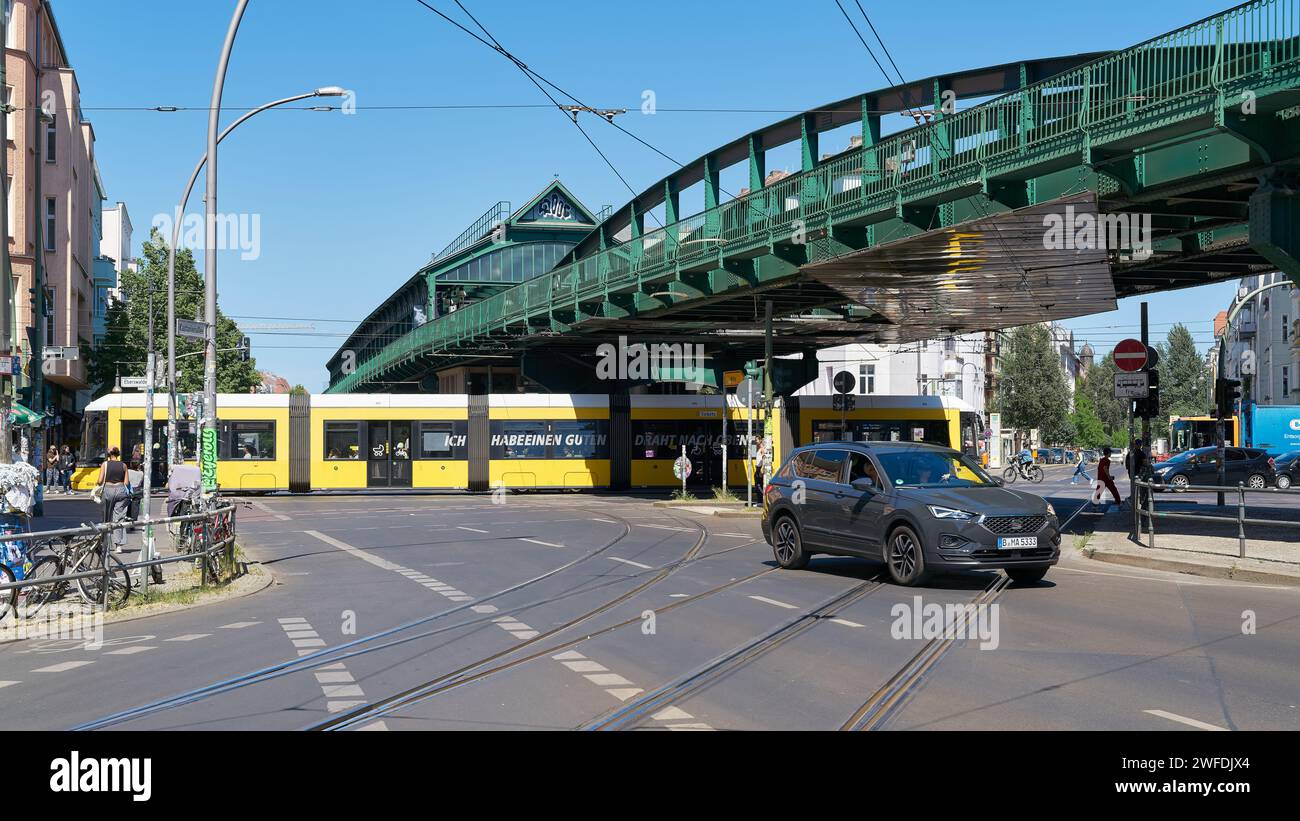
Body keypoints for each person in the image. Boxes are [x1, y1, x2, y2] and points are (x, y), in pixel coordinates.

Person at [96, 447, 131, 554]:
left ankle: (104, 544)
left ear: (109, 454)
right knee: (119, 518)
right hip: (121, 490)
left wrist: (97, 485)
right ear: (118, 454)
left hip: (108, 490)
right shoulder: (124, 465)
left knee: (106, 517)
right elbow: (126, 482)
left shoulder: (105, 464)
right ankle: (118, 545)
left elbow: (100, 480)